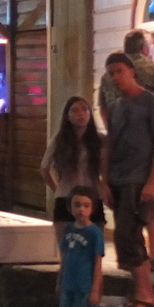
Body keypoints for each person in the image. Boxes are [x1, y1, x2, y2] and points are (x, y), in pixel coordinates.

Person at [98, 29, 154, 271]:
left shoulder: (108, 74)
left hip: (124, 146)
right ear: (146, 48)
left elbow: (103, 108)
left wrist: (115, 132)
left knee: (126, 202)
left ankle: (137, 257)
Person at [100, 51, 154, 307]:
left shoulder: (152, 102)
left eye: (119, 71)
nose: (116, 77)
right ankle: (139, 293)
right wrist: (104, 181)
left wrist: (152, 181)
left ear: (131, 71)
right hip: (118, 178)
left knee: (130, 235)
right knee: (122, 237)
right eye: (111, 73)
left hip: (138, 178)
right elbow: (109, 146)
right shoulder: (116, 107)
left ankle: (146, 295)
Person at [40, 95, 105, 245]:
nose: (81, 114)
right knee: (66, 248)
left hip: (93, 196)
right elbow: (44, 167)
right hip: (66, 195)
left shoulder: (99, 139)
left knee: (95, 247)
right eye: (75, 111)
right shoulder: (60, 139)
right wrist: (56, 188)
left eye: (84, 110)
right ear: (67, 116)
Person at [57, 186, 105, 307]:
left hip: (84, 287)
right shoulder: (68, 230)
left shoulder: (94, 233)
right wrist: (59, 281)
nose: (81, 210)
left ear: (92, 208)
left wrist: (95, 289)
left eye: (86, 206)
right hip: (69, 285)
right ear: (70, 207)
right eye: (77, 205)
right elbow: (64, 257)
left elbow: (98, 263)